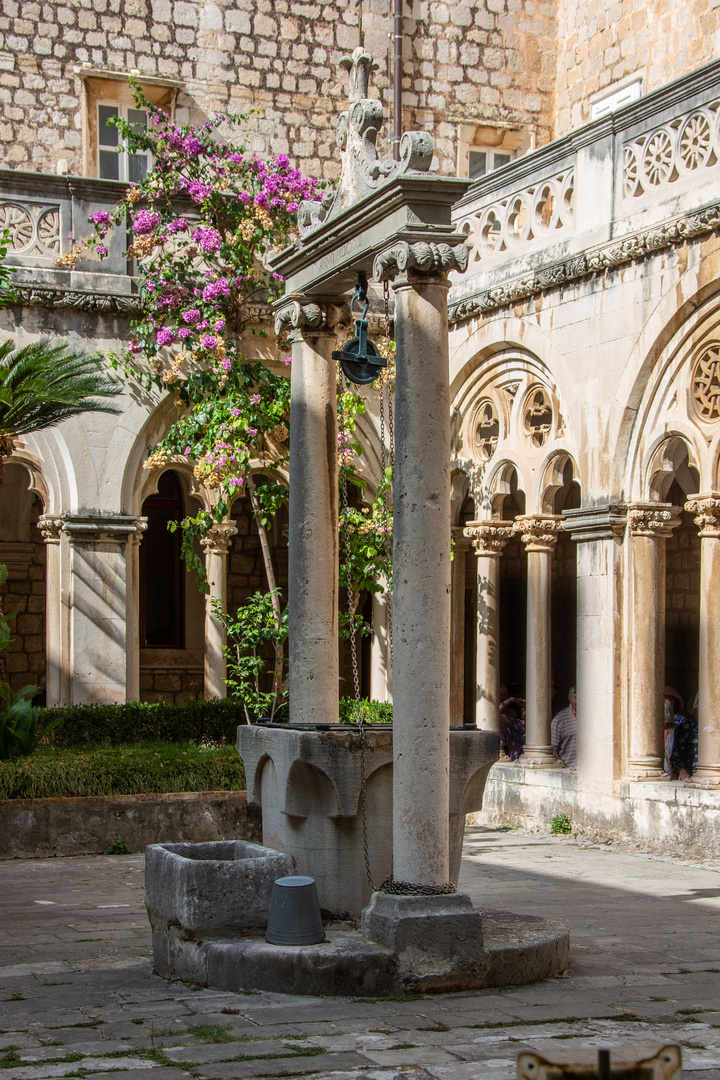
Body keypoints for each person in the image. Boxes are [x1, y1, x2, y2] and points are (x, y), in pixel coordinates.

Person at [663, 686, 697, 780]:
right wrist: (681, 771)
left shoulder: (679, 722)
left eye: (667, 697)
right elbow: (676, 756)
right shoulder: (686, 728)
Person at [498, 683, 525, 761]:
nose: (502, 697)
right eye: (500, 694)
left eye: (505, 695)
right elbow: (494, 713)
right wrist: (511, 700)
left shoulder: (513, 715)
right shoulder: (517, 724)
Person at [551, 686, 577, 768]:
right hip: (569, 769)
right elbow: (552, 749)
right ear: (570, 699)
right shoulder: (559, 720)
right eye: (575, 697)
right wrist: (562, 764)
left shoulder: (593, 718)